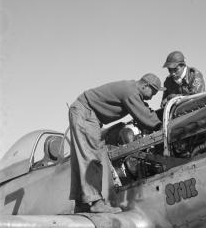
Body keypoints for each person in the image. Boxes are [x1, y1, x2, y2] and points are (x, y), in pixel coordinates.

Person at [69, 73, 165, 213]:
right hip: (86, 114)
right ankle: (96, 203)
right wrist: (162, 127)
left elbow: (144, 109)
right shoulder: (131, 92)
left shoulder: (131, 89)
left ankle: (81, 203)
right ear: (145, 86)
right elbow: (145, 117)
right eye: (153, 92)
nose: (152, 97)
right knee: (91, 158)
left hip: (84, 112)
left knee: (83, 159)